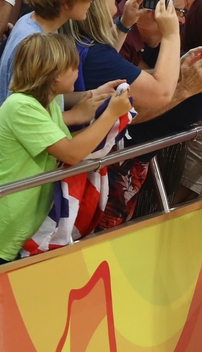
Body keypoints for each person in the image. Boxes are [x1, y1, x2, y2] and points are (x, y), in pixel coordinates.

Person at [0, 33, 132, 264]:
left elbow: (69, 142)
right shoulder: (20, 106)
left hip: (26, 224)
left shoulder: (45, 104)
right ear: (55, 76)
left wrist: (102, 110)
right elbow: (71, 152)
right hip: (6, 229)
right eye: (74, 67)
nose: (78, 72)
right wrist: (111, 113)